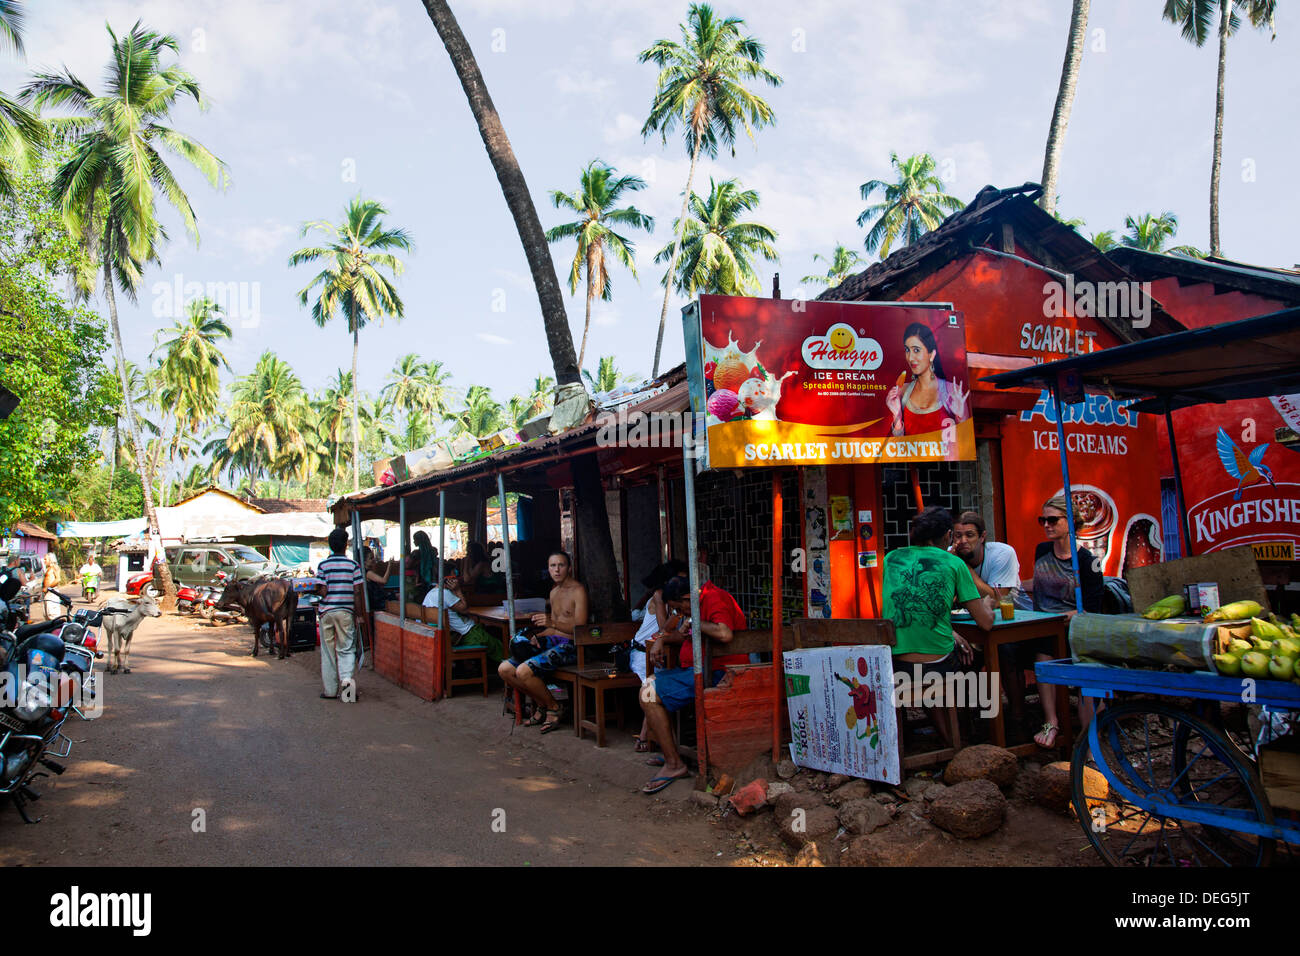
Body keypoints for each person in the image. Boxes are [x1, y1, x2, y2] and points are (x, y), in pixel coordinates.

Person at [882, 506, 994, 749]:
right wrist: (989, 602)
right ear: (947, 536)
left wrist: (951, 632)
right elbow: (985, 623)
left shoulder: (892, 558)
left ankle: (949, 739)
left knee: (934, 664)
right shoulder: (953, 563)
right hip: (935, 665)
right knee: (970, 662)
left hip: (894, 663)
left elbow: (909, 608)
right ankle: (966, 736)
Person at [638, 569, 746, 794]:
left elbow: (725, 634)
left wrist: (694, 622)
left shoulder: (713, 598)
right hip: (698, 670)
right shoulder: (696, 604)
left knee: (648, 693)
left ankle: (674, 764)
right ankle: (672, 754)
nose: (679, 613)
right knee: (650, 682)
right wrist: (663, 638)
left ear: (687, 598)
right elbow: (679, 633)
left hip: (717, 672)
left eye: (679, 608)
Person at [1015, 494, 1105, 748]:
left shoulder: (1088, 562)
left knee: (1077, 667)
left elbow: (1091, 609)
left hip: (1073, 629)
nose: (1047, 525)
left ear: (1070, 522)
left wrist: (1058, 618)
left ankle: (1090, 742)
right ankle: (1050, 722)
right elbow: (1043, 584)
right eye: (1042, 520)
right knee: (1037, 651)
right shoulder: (1042, 551)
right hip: (1042, 630)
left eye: (1053, 520)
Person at [497, 551, 588, 733]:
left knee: (524, 671)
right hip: (553, 640)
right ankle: (542, 704)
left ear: (569, 568)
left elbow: (581, 628)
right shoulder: (554, 592)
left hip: (571, 646)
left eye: (561, 565)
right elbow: (554, 629)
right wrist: (538, 637)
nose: (557, 569)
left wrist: (551, 623)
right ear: (548, 569)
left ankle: (554, 707)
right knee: (505, 669)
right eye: (553, 566)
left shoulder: (578, 591)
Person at [629, 560, 688, 753]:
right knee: (654, 687)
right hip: (642, 652)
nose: (684, 581)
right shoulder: (660, 596)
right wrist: (679, 614)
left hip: (660, 650)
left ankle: (653, 736)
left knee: (659, 684)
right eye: (680, 577)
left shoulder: (678, 599)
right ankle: (646, 735)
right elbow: (664, 629)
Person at [885, 322, 969, 436]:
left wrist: (961, 417)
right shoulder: (903, 391)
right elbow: (899, 448)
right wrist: (897, 416)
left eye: (916, 350)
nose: (910, 357)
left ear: (932, 354)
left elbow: (965, 443)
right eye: (907, 350)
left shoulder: (952, 391)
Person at [315, 527, 365, 702]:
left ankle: (329, 691)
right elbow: (357, 592)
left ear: (330, 545)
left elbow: (322, 591)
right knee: (346, 650)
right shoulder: (353, 566)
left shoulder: (323, 566)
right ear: (345, 545)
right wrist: (359, 615)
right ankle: (348, 693)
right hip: (345, 613)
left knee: (328, 652)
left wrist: (314, 588)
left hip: (326, 612)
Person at [422, 573, 503, 664]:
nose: (457, 581)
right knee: (495, 645)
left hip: (451, 636)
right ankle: (510, 667)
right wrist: (458, 590)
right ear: (448, 580)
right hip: (466, 635)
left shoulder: (431, 593)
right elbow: (464, 609)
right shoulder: (444, 593)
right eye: (454, 578)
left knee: (490, 631)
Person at [951, 511, 1020, 599]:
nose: (963, 540)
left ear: (982, 537)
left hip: (1018, 611)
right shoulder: (949, 556)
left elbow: (997, 599)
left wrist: (962, 565)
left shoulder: (1002, 553)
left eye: (970, 535)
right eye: (958, 536)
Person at [406, 531, 438, 600]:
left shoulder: (416, 554)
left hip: (420, 583)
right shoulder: (433, 551)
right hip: (433, 582)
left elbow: (408, 566)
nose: (414, 542)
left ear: (419, 540)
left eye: (415, 539)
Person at [41, 553, 63, 621]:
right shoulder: (48, 568)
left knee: (52, 615)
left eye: (45, 559)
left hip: (52, 593)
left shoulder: (54, 567)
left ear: (50, 559)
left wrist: (48, 588)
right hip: (47, 594)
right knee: (46, 615)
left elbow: (58, 579)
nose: (44, 561)